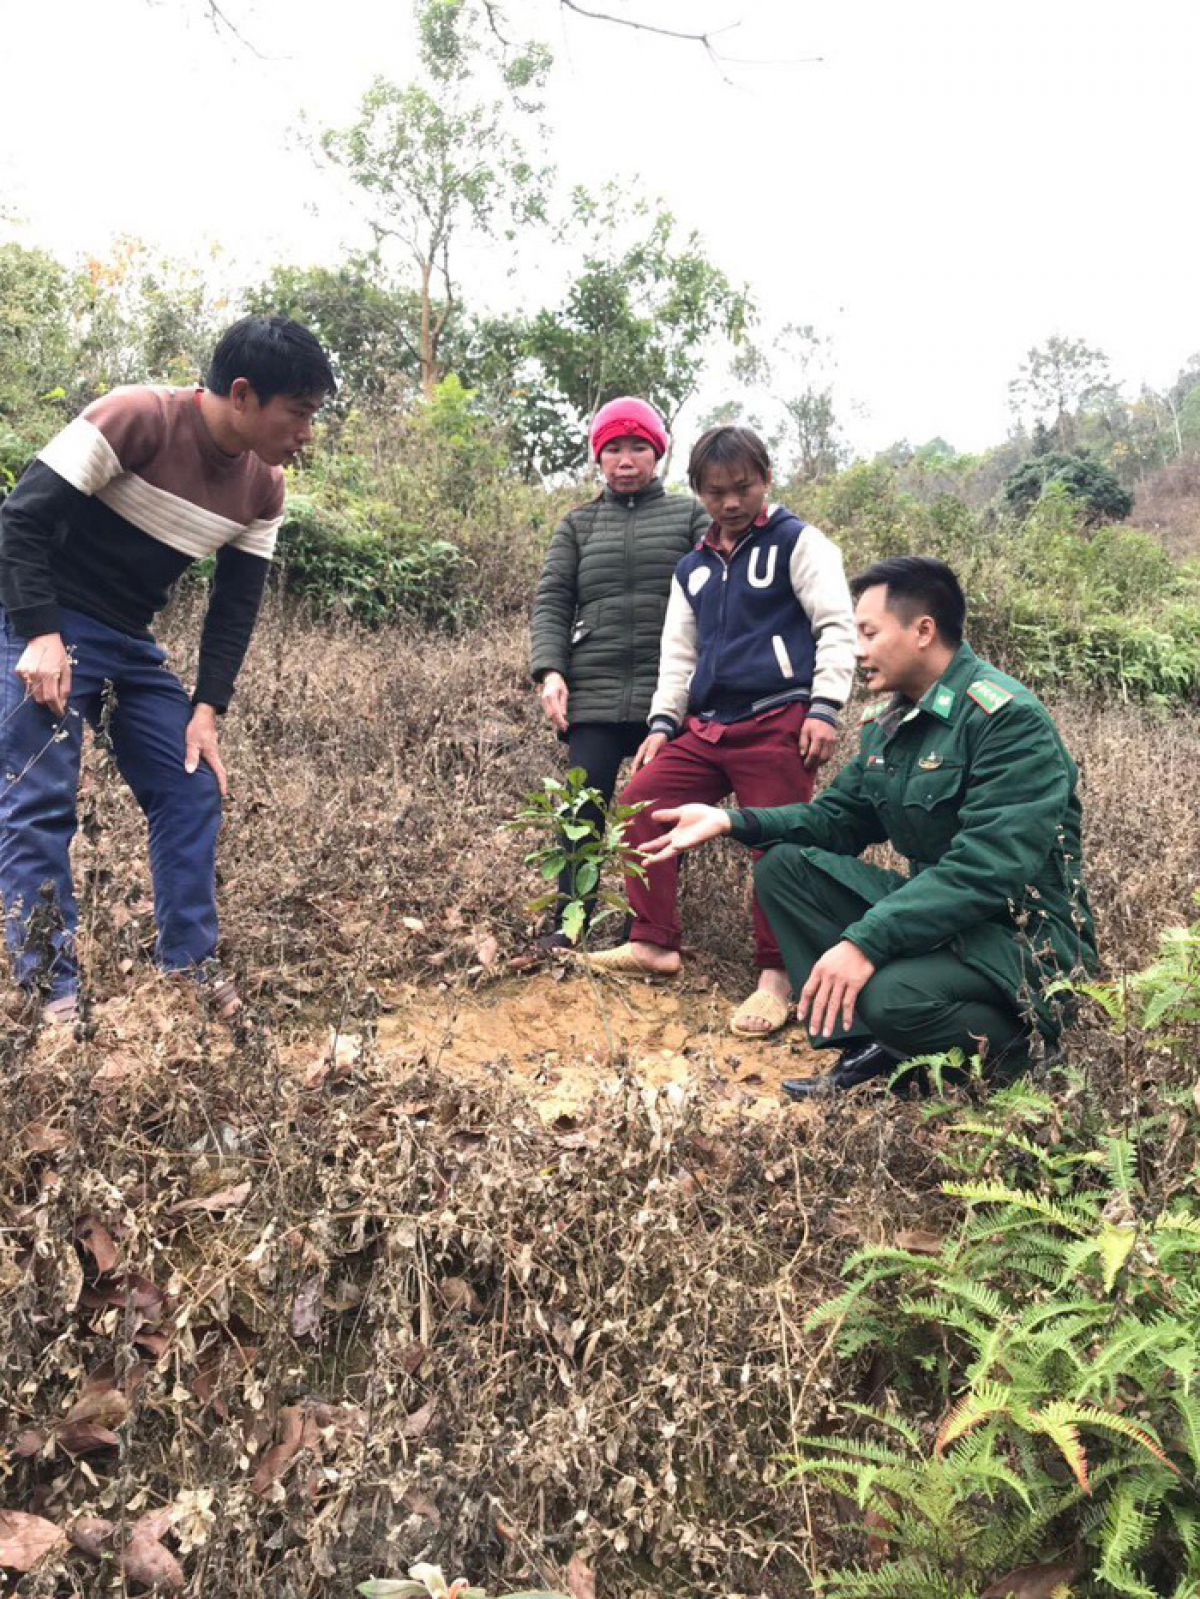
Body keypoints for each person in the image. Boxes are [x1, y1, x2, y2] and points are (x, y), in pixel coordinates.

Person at [639, 555, 1098, 1094]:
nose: (856, 650)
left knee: (890, 996)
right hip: (946, 924)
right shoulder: (891, 722)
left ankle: (1020, 1056)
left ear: (922, 630)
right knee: (785, 868)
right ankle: (871, 1048)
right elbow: (837, 820)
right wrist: (730, 820)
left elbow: (986, 869)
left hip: (1019, 943)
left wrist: (864, 944)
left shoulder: (1007, 720)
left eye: (869, 632)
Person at [0, 314, 336, 1025]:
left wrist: (207, 709)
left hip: (126, 639)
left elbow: (234, 608)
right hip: (40, 624)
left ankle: (189, 966)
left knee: (192, 787)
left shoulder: (263, 488)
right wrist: (41, 634)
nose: (306, 432)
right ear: (243, 395)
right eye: (299, 413)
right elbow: (19, 521)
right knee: (41, 798)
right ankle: (49, 993)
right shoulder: (135, 419)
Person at [579, 424, 857, 1037]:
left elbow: (836, 627)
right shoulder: (694, 567)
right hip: (707, 726)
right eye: (714, 491)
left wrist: (825, 707)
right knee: (638, 805)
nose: (730, 503)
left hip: (781, 719)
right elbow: (678, 653)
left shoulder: (801, 544)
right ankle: (653, 944)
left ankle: (776, 977)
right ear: (697, 491)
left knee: (777, 846)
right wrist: (662, 722)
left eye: (743, 487)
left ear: (766, 479)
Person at [529, 396, 710, 949]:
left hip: (670, 695)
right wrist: (551, 671)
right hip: (598, 690)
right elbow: (554, 599)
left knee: (655, 811)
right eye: (613, 449)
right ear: (598, 458)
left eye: (638, 447)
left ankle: (649, 928)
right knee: (582, 811)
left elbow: (718, 595)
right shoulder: (578, 525)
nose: (625, 460)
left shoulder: (690, 517)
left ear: (659, 454)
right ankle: (569, 923)